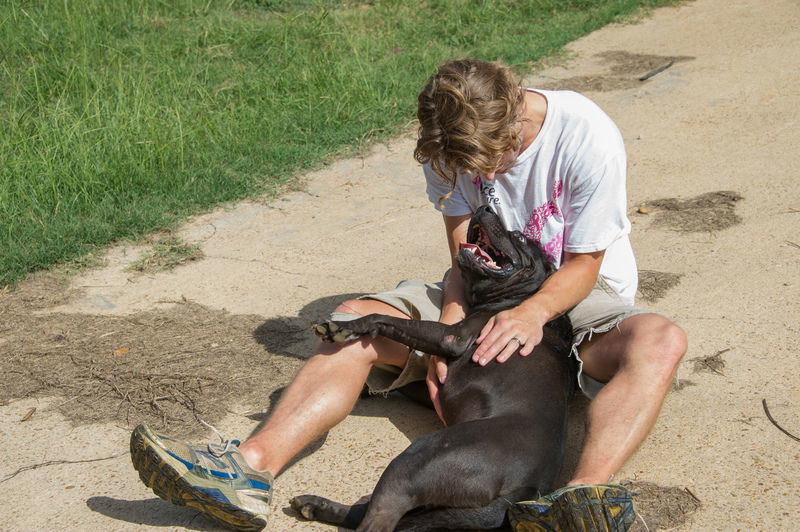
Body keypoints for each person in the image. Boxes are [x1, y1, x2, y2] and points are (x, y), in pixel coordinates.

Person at [130, 58, 687, 531]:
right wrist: (450, 328)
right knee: (355, 318)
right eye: (468, 165)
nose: (483, 172)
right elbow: (462, 255)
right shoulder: (453, 147)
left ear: (516, 106)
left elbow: (586, 264)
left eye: (496, 158)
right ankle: (245, 471)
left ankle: (576, 500)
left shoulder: (585, 134)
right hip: (482, 301)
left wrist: (532, 312)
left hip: (568, 295)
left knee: (662, 339)